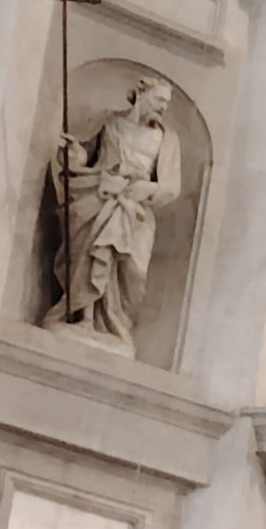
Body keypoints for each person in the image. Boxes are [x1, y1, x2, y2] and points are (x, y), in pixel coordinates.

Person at [56, 75, 181, 354]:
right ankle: (85, 317)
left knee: (131, 271)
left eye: (166, 103)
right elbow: (86, 159)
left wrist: (146, 188)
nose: (162, 108)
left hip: (136, 210)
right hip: (103, 195)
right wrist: (73, 153)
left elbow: (171, 187)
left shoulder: (166, 139)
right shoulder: (111, 122)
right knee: (93, 250)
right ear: (141, 94)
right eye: (159, 100)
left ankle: (114, 323)